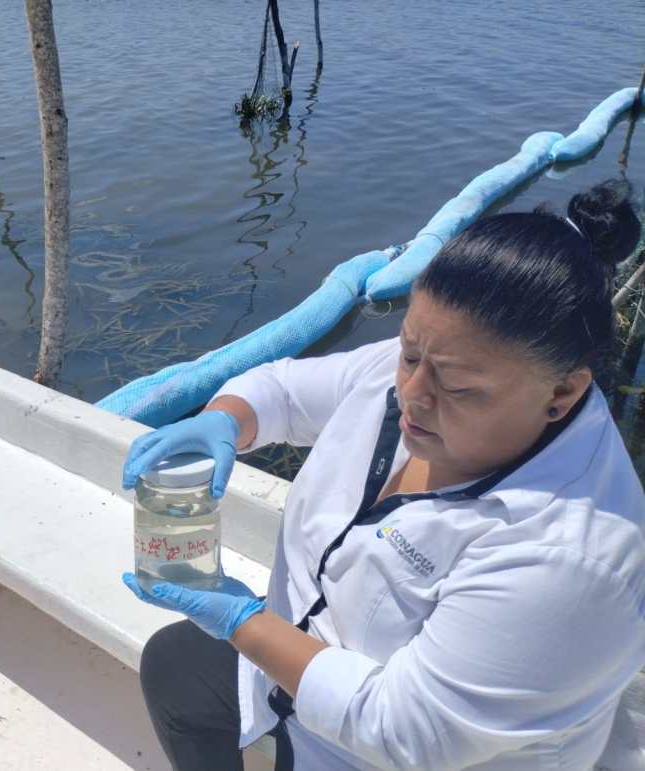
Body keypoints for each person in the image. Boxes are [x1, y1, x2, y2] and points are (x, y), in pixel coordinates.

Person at [120, 178, 645, 771]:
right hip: (303, 665)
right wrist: (225, 421)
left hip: (395, 752)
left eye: (458, 388)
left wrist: (244, 623)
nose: (412, 397)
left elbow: (406, 731)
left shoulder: (570, 560)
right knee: (175, 670)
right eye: (410, 354)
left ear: (562, 392)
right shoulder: (429, 366)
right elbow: (284, 391)